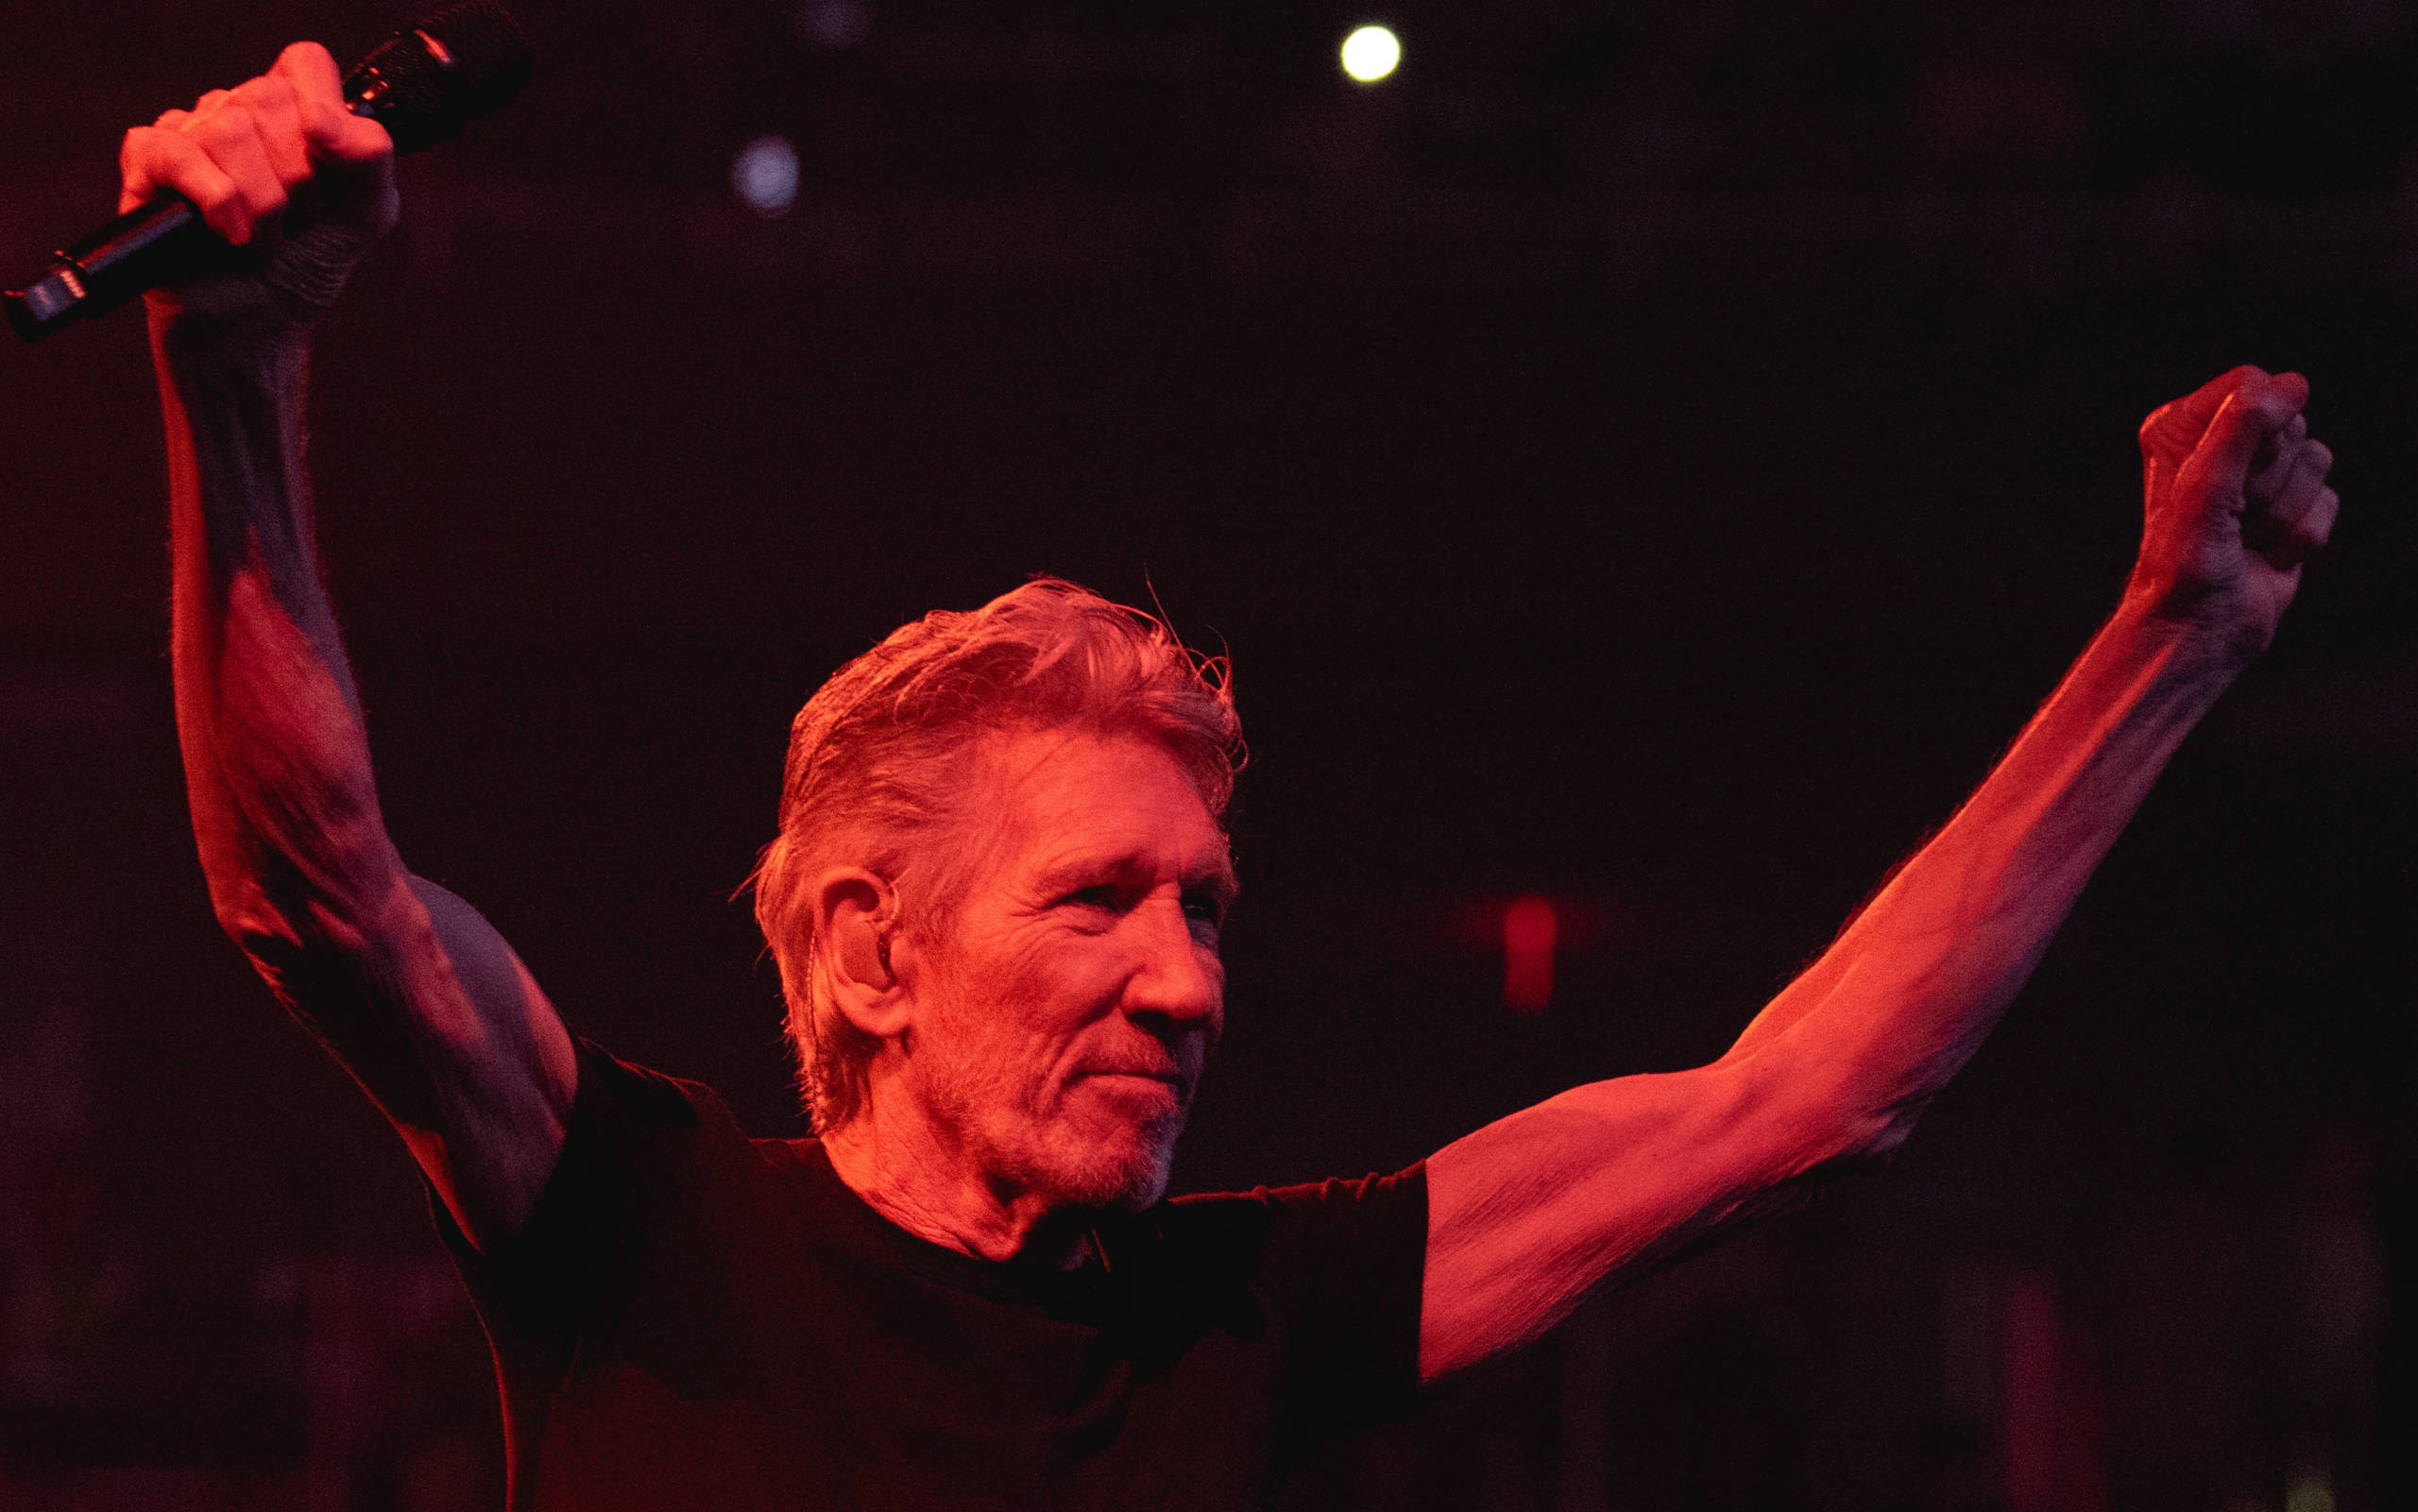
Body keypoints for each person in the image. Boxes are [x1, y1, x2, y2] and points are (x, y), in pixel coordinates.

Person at [127, 42, 2341, 1512]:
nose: (1184, 983)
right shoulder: (641, 1231)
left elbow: (1803, 1097)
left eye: (1202, 908)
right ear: (866, 953)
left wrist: (2174, 642)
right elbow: (314, 890)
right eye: (1097, 901)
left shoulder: (1253, 1317)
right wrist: (236, 361)